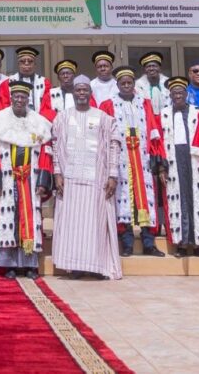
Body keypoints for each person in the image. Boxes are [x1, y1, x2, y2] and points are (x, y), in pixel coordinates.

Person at [52, 75, 123, 279]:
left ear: (90, 93)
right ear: (73, 92)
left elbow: (114, 146)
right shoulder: (62, 117)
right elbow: (55, 147)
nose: (81, 93)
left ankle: (98, 266)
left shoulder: (103, 118)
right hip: (70, 181)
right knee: (73, 224)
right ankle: (75, 266)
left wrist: (112, 175)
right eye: (78, 90)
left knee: (96, 224)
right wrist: (57, 173)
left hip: (97, 182)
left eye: (85, 90)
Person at [0, 81, 54, 279]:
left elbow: (46, 154)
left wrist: (42, 181)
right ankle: (9, 265)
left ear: (28, 100)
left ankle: (30, 265)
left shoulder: (39, 123)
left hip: (30, 178)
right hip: (7, 177)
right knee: (9, 220)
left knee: (30, 219)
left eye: (23, 97)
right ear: (11, 98)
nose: (20, 100)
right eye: (16, 97)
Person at [98, 67, 164, 258]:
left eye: (129, 83)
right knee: (122, 199)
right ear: (117, 85)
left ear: (134, 84)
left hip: (142, 157)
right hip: (120, 157)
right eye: (122, 83)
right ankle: (126, 243)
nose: (126, 86)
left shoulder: (145, 103)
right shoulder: (108, 105)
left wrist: (155, 157)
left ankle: (149, 243)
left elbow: (153, 129)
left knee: (146, 198)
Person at [157, 77, 199, 258]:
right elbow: (158, 144)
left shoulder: (198, 113)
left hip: (195, 162)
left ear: (187, 94)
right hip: (173, 163)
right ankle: (181, 244)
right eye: (174, 93)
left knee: (197, 200)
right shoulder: (163, 114)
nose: (177, 96)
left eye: (181, 93)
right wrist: (161, 168)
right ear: (170, 95)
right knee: (177, 202)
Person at [0, 46, 53, 118]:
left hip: (38, 123)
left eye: (30, 61)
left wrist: (39, 123)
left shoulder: (45, 83)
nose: (26, 64)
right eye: (22, 61)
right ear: (18, 64)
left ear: (35, 64)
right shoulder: (7, 83)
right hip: (13, 123)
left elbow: (48, 108)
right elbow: (3, 108)